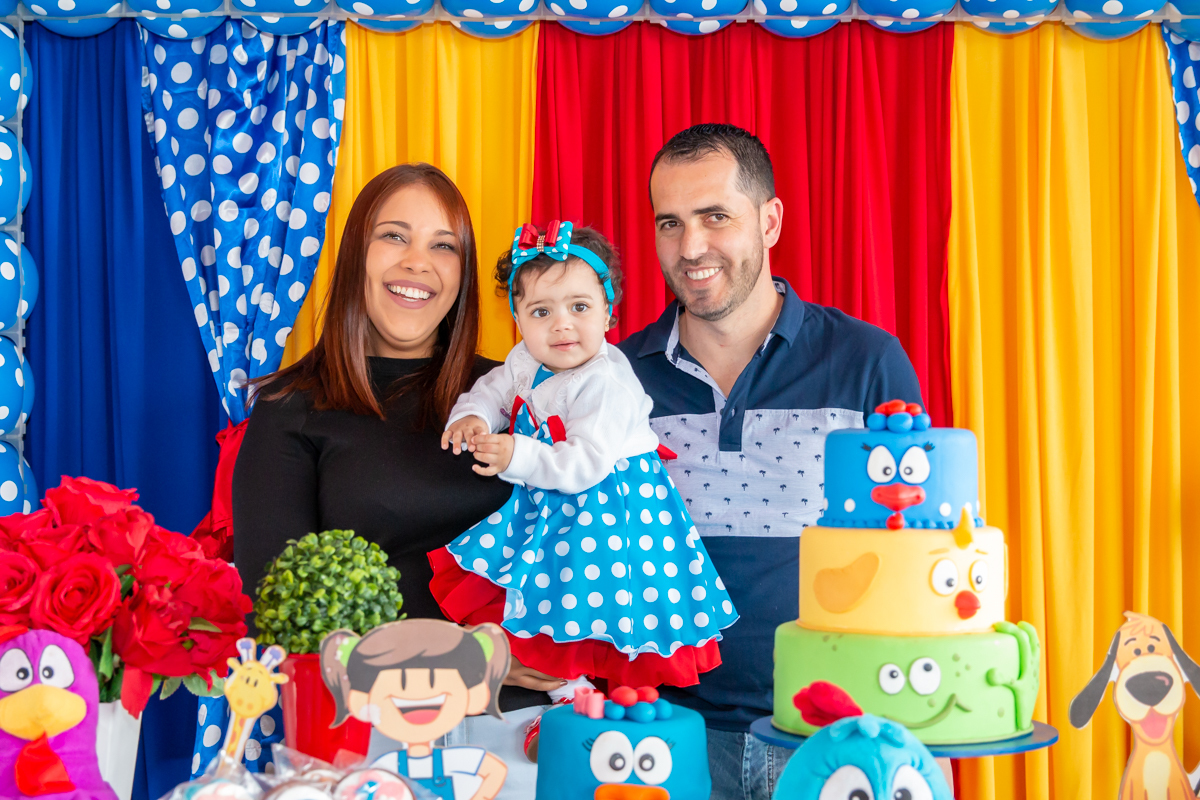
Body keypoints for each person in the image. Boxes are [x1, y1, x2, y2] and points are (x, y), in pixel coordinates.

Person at [618, 124, 924, 800]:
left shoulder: (868, 362)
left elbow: (915, 555)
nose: (690, 247)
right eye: (669, 223)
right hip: (670, 736)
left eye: (714, 217)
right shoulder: (616, 381)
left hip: (838, 734)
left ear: (770, 220)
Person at [231, 163, 557, 797]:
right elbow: (277, 610)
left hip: (527, 732)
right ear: (356, 255)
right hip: (367, 740)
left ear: (463, 275)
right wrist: (465, 659)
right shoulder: (289, 408)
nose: (419, 263)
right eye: (394, 237)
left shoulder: (526, 393)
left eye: (444, 245)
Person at [428, 221, 737, 706]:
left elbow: (586, 464)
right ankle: (567, 689)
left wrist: (515, 453)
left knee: (599, 603)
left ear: (608, 313)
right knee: (543, 591)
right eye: (540, 311)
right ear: (518, 318)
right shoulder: (526, 360)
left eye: (579, 307)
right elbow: (492, 390)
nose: (561, 325)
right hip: (560, 496)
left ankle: (611, 705)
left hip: (614, 510)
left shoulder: (606, 382)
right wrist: (472, 416)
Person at [321, 620, 511, 800]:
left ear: (475, 695)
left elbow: (494, 771)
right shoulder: (389, 763)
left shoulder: (450, 759)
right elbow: (359, 789)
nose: (419, 696)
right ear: (362, 701)